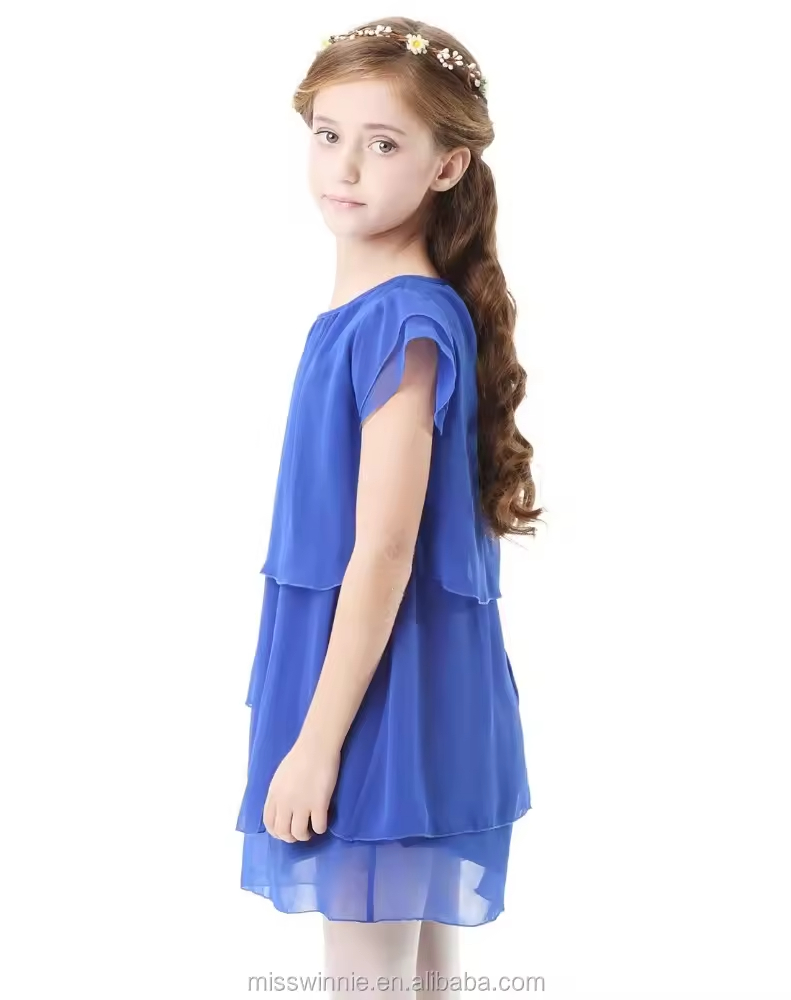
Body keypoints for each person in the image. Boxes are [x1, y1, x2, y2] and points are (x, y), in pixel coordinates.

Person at [235, 16, 543, 997]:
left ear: (446, 166)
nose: (344, 166)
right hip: (384, 683)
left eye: (382, 143)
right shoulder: (380, 316)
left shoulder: (402, 322)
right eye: (328, 134)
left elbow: (383, 551)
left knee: (369, 978)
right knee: (415, 977)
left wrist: (315, 743)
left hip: (379, 697)